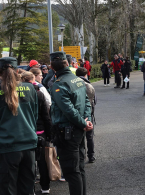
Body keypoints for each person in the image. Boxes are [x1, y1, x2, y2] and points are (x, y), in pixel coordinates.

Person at [0, 57, 38, 195]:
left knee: (8, 190)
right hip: (29, 145)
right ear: (18, 71)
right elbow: (35, 115)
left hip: (7, 147)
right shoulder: (31, 88)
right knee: (27, 189)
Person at [49, 51, 93, 195]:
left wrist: (83, 123)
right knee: (79, 169)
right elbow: (87, 102)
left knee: (72, 172)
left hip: (68, 132)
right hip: (78, 130)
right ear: (67, 63)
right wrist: (87, 120)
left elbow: (68, 110)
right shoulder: (77, 80)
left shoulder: (59, 84)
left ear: (51, 67)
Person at [21, 71, 52, 193]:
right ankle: (45, 187)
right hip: (40, 131)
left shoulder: (16, 94)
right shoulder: (39, 94)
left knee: (28, 162)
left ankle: (30, 188)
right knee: (43, 161)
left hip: (26, 132)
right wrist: (49, 133)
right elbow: (46, 116)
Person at [76, 67, 97, 163]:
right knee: (89, 136)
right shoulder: (89, 85)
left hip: (78, 114)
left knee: (79, 136)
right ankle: (91, 156)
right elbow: (94, 100)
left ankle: (81, 156)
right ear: (86, 75)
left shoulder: (74, 85)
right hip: (88, 113)